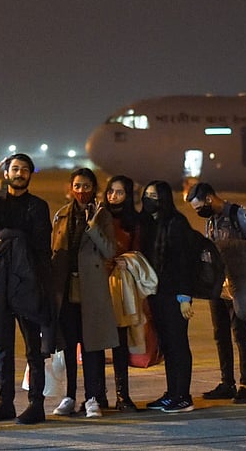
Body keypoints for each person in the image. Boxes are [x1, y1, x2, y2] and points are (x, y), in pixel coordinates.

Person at [0, 153, 52, 424]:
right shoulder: (0, 204)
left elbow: (41, 243)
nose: (19, 173)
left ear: (30, 175)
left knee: (34, 348)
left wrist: (5, 236)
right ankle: (5, 402)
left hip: (29, 282)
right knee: (3, 346)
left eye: (24, 169)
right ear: (6, 174)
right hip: (1, 281)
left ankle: (37, 404)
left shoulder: (38, 206)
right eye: (14, 169)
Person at [186, 182, 246, 404]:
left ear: (210, 198)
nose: (199, 212)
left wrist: (232, 253)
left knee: (240, 334)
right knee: (220, 334)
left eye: (200, 206)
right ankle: (227, 382)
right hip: (217, 285)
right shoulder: (211, 221)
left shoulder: (240, 214)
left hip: (237, 283)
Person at [50, 168, 117, 418]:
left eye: (86, 186)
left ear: (94, 189)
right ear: (70, 188)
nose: (81, 191)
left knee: (93, 347)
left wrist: (93, 227)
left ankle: (92, 398)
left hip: (91, 290)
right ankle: (69, 396)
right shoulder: (61, 215)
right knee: (67, 346)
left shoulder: (103, 216)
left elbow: (110, 250)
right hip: (66, 290)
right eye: (77, 186)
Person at [141, 181, 196, 413]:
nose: (149, 199)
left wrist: (185, 297)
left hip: (175, 295)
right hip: (158, 294)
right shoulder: (152, 224)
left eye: (154, 195)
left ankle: (183, 396)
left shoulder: (177, 223)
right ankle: (172, 392)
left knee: (178, 344)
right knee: (167, 345)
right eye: (147, 195)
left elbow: (185, 262)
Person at [101, 175, 142, 412]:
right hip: (97, 283)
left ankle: (122, 394)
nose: (113, 196)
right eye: (110, 191)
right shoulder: (99, 216)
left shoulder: (133, 222)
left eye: (119, 192)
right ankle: (96, 395)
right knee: (93, 345)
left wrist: (129, 259)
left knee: (119, 343)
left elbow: (138, 251)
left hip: (120, 285)